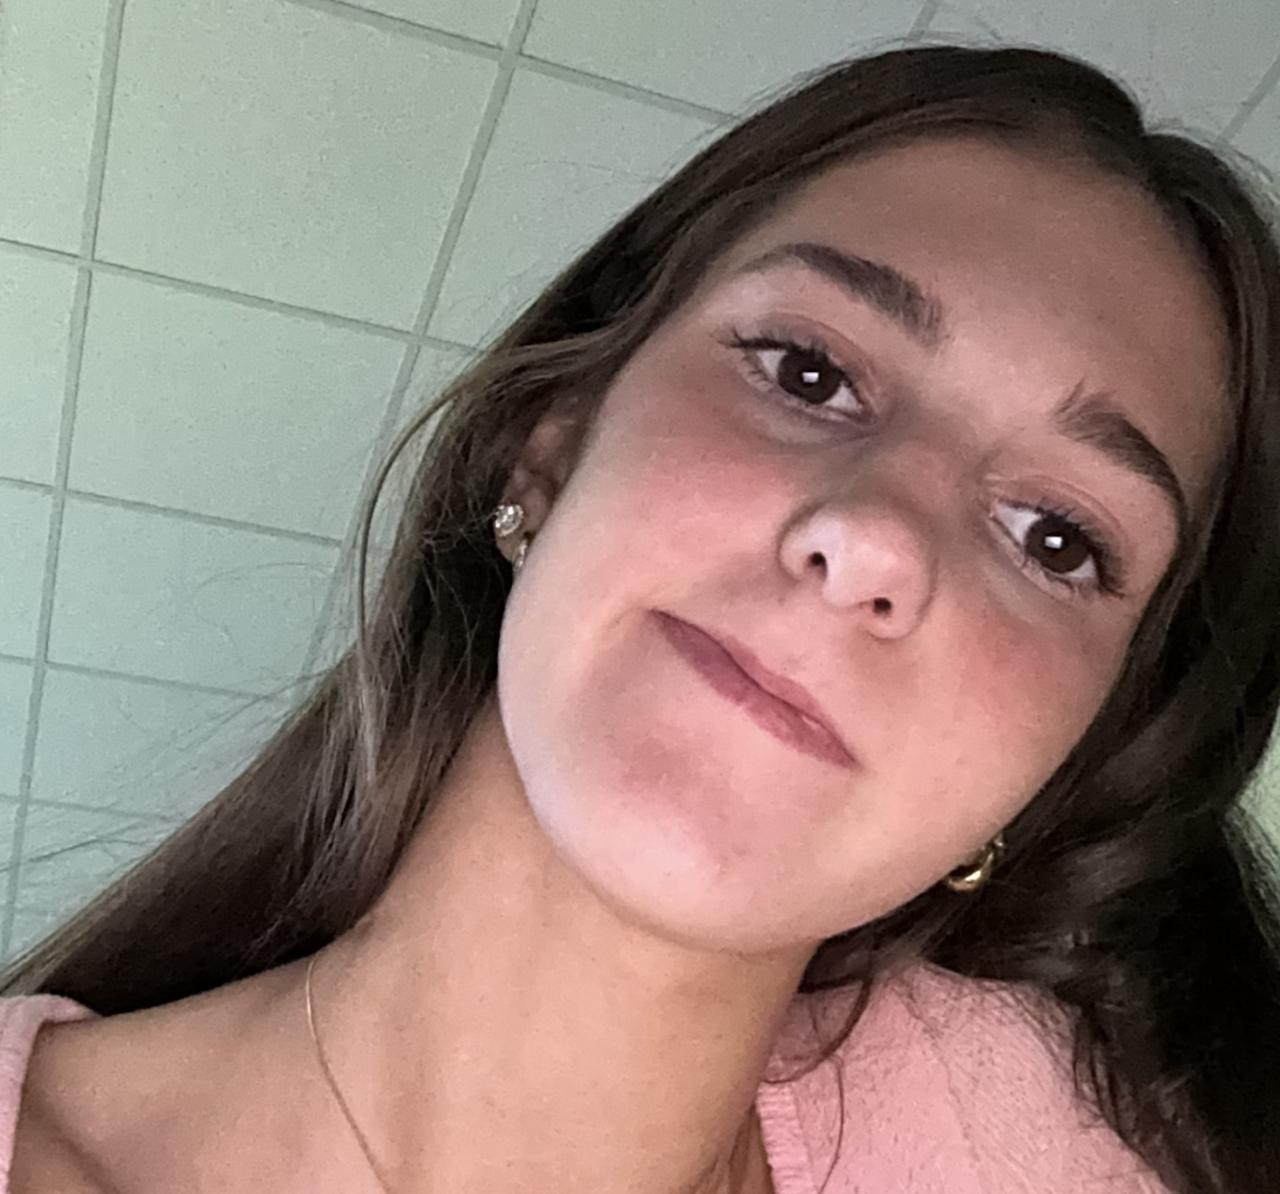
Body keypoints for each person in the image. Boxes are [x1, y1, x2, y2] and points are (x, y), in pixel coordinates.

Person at [0, 40, 1277, 1194]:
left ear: (1063, 767)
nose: (875, 540)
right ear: (547, 443)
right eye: (808, 373)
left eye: (1054, 539)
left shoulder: (1083, 1144)